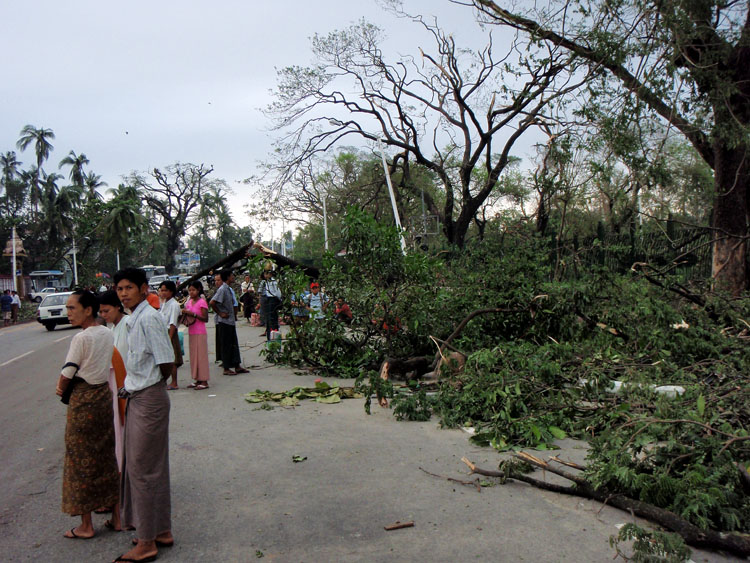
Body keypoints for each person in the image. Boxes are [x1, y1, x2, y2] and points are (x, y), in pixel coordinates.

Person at [113, 267, 175, 562]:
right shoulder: (134, 318)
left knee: (142, 470)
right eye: (119, 289)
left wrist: (148, 388)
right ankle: (160, 531)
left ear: (142, 288)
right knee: (152, 468)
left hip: (149, 399)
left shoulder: (149, 317)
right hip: (140, 395)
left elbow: (166, 362)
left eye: (128, 288)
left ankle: (147, 541)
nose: (123, 293)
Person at [55, 290, 120, 539]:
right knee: (105, 455)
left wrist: (60, 388)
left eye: (72, 308)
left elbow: (68, 372)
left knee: (80, 459)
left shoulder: (81, 339)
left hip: (83, 400)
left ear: (88, 310)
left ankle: (86, 525)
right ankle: (117, 516)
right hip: (103, 396)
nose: (68, 312)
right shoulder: (107, 333)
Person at [209, 270, 249, 375]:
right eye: (232, 275)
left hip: (230, 321)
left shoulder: (228, 289)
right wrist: (220, 313)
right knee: (226, 345)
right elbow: (212, 302)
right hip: (224, 321)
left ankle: (237, 365)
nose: (233, 277)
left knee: (233, 344)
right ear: (227, 277)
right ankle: (226, 368)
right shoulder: (222, 289)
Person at [182, 281, 211, 389]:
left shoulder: (202, 302)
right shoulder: (189, 302)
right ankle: (197, 378)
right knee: (194, 356)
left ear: (198, 290)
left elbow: (205, 318)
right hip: (192, 331)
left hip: (200, 332)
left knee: (201, 356)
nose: (191, 292)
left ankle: (204, 380)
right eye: (190, 290)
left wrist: (193, 314)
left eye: (193, 290)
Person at [158, 280, 183, 390]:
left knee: (172, 359)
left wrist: (169, 337)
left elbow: (172, 323)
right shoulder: (164, 303)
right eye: (161, 290)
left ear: (171, 291)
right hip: (163, 332)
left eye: (165, 290)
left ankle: (174, 382)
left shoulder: (174, 305)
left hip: (170, 333)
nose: (163, 293)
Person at [258, 268, 282, 340]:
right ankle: (270, 335)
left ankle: (274, 334)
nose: (265, 275)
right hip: (268, 300)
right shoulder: (267, 282)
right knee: (269, 319)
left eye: (266, 273)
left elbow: (278, 293)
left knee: (272, 318)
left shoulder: (273, 282)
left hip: (273, 300)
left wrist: (278, 300)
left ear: (270, 274)